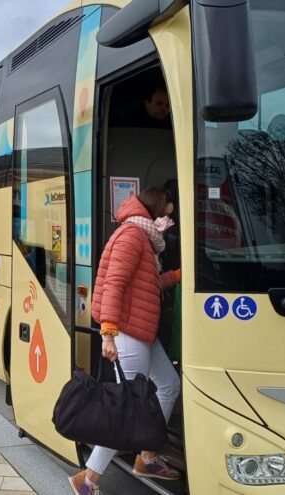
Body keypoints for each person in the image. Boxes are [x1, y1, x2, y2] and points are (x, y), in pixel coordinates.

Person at [69, 188, 183, 495]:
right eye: (166, 214)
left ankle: (146, 456)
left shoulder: (144, 239)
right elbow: (114, 285)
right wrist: (108, 332)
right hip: (126, 333)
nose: (167, 220)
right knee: (127, 409)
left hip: (142, 331)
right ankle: (88, 479)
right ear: (154, 211)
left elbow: (145, 284)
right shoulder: (132, 235)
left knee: (170, 385)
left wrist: (178, 275)